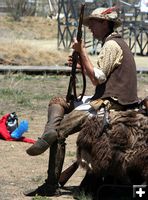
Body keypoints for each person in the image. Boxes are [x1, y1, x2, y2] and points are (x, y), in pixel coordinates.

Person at [25, 6, 139, 197]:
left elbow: (97, 78)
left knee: (60, 133)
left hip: (111, 105)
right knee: (58, 101)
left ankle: (51, 184)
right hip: (106, 100)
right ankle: (48, 132)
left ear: (104, 23)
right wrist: (81, 64)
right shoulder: (113, 43)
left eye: (93, 23)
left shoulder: (111, 45)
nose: (90, 28)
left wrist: (82, 51)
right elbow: (100, 75)